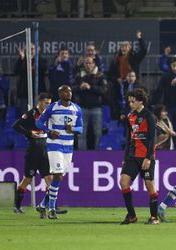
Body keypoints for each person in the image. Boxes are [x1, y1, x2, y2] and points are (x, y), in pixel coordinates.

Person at [35, 85, 83, 219]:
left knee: (59, 177)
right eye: (64, 91)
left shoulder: (76, 109)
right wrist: (49, 132)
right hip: (54, 144)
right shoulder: (52, 107)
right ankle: (52, 209)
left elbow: (80, 129)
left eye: (70, 91)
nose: (68, 93)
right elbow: (39, 122)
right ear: (60, 93)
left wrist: (72, 129)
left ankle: (42, 205)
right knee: (57, 175)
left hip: (69, 146)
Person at [119, 88, 159, 225]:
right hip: (132, 156)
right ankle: (131, 215)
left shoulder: (149, 116)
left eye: (133, 101)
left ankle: (154, 217)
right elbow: (129, 138)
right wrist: (125, 157)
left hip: (146, 156)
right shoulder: (130, 117)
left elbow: (153, 138)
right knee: (123, 182)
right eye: (129, 101)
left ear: (140, 101)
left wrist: (149, 157)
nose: (130, 104)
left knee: (149, 185)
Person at [12, 93, 53, 215]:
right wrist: (29, 133)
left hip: (45, 151)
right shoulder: (30, 114)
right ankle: (17, 206)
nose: (48, 105)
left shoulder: (48, 115)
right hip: (33, 151)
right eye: (46, 103)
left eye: (50, 103)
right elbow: (16, 126)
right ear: (39, 102)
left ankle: (45, 207)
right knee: (27, 180)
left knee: (49, 180)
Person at [153, 57, 176, 148]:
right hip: (167, 106)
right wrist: (156, 103)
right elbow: (159, 89)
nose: (175, 68)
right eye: (173, 66)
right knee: (167, 128)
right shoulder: (166, 75)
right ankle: (168, 148)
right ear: (170, 65)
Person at [75, 56, 108, 150]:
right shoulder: (79, 75)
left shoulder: (100, 75)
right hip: (82, 108)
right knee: (81, 132)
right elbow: (71, 88)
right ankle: (82, 155)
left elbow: (104, 90)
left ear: (94, 64)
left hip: (96, 108)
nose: (88, 65)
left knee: (97, 133)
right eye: (86, 63)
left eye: (90, 63)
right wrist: (79, 87)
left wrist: (91, 87)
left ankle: (97, 153)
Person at [14, 43, 47, 116]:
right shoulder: (22, 59)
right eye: (28, 49)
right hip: (25, 91)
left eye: (32, 49)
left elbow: (43, 68)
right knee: (24, 114)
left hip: (38, 91)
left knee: (38, 113)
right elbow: (16, 71)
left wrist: (36, 56)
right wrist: (22, 59)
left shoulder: (41, 59)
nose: (30, 51)